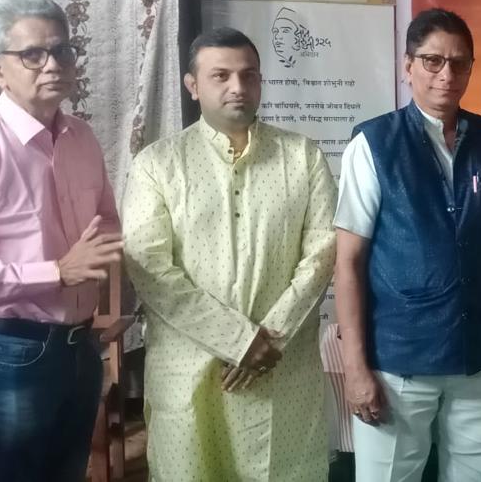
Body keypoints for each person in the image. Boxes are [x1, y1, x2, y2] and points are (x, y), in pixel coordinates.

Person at [122, 27, 337, 481]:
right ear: (192, 85)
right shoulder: (157, 165)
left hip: (281, 369)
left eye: (249, 75)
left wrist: (269, 341)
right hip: (190, 369)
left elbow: (322, 256)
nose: (238, 87)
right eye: (220, 75)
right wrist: (240, 341)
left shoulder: (303, 157)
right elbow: (151, 270)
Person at [335, 8, 481, 481]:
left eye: (459, 63)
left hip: (478, 357)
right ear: (408, 66)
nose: (447, 74)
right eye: (432, 61)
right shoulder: (375, 144)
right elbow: (348, 262)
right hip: (398, 361)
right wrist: (356, 367)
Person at [0, 0, 123, 482]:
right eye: (33, 54)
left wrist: (102, 258)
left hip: (79, 347)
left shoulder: (82, 138)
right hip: (3, 351)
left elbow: (106, 224)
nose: (52, 64)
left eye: (62, 51)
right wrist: (55, 272)